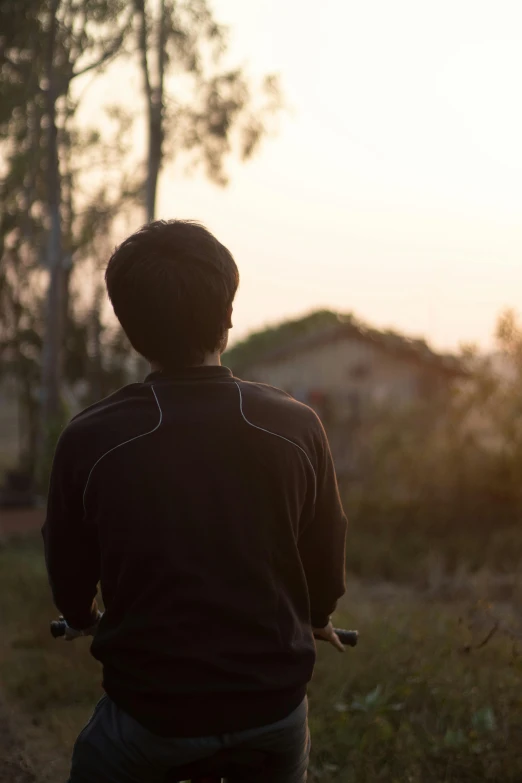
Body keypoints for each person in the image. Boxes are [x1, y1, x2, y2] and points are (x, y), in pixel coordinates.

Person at [42, 219, 348, 783]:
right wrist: (318, 617)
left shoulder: (90, 438)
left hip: (150, 720)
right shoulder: (296, 425)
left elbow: (68, 569)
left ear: (129, 327)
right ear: (228, 315)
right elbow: (325, 555)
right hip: (273, 712)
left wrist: (83, 616)